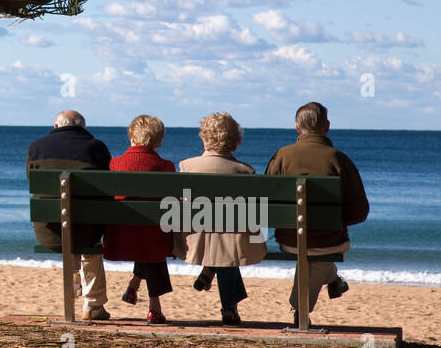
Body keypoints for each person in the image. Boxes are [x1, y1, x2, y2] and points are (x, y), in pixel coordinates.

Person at [265, 101, 370, 322]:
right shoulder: (339, 159)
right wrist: (336, 221)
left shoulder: (281, 156)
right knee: (319, 249)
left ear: (297, 128)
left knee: (309, 248)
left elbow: (266, 202)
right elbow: (360, 212)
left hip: (289, 239)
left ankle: (332, 282)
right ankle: (300, 311)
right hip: (329, 241)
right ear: (327, 127)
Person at [178, 113, 267, 326]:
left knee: (221, 240)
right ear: (236, 140)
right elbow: (255, 215)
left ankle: (210, 270)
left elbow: (179, 210)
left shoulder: (186, 166)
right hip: (233, 242)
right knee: (227, 242)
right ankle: (229, 306)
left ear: (203, 137)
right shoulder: (245, 171)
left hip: (195, 241)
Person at [27, 109, 112, 321]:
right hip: (87, 233)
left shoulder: (36, 147)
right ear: (83, 128)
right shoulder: (96, 148)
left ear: (56, 126)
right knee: (89, 242)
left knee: (70, 226)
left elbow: (32, 182)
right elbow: (106, 190)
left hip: (49, 233)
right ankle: (93, 305)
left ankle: (76, 286)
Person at [103, 115, 176, 323]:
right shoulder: (166, 166)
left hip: (120, 237)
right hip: (154, 238)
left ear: (131, 137)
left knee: (144, 232)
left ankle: (135, 284)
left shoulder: (115, 164)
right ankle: (154, 307)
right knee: (151, 236)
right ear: (159, 140)